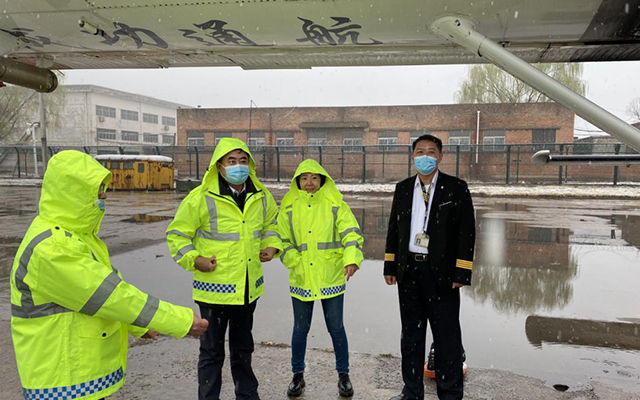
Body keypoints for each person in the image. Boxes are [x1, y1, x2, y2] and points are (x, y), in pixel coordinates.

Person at [10, 150, 209, 400]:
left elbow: (103, 294)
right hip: (61, 376)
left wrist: (138, 325)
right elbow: (111, 297)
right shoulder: (52, 248)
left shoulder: (76, 238)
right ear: (72, 193)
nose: (104, 196)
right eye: (96, 191)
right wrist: (180, 321)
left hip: (72, 369)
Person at [166, 138, 281, 400]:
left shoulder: (261, 196)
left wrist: (272, 246)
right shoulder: (200, 198)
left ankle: (247, 395)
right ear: (219, 166)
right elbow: (177, 235)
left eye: (243, 161)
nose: (238, 166)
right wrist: (195, 259)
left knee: (243, 349)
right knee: (211, 353)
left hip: (246, 290)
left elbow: (272, 226)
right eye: (231, 161)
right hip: (213, 291)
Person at [384, 134, 475, 400]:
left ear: (440, 157)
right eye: (420, 152)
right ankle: (411, 392)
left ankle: (450, 393)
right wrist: (390, 265)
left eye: (431, 152)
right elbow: (394, 229)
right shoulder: (403, 188)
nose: (425, 157)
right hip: (409, 272)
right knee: (411, 337)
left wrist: (462, 271)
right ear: (413, 157)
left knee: (447, 337)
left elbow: (466, 232)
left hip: (442, 274)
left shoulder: (455, 188)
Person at [277, 159, 364, 398]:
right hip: (301, 278)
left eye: (314, 177)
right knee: (300, 329)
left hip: (331, 277)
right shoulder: (289, 207)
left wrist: (351, 258)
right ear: (297, 181)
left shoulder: (335, 204)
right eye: (304, 178)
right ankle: (297, 375)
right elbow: (281, 239)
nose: (309, 182)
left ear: (322, 180)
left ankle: (344, 375)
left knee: (336, 328)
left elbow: (352, 234)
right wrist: (294, 261)